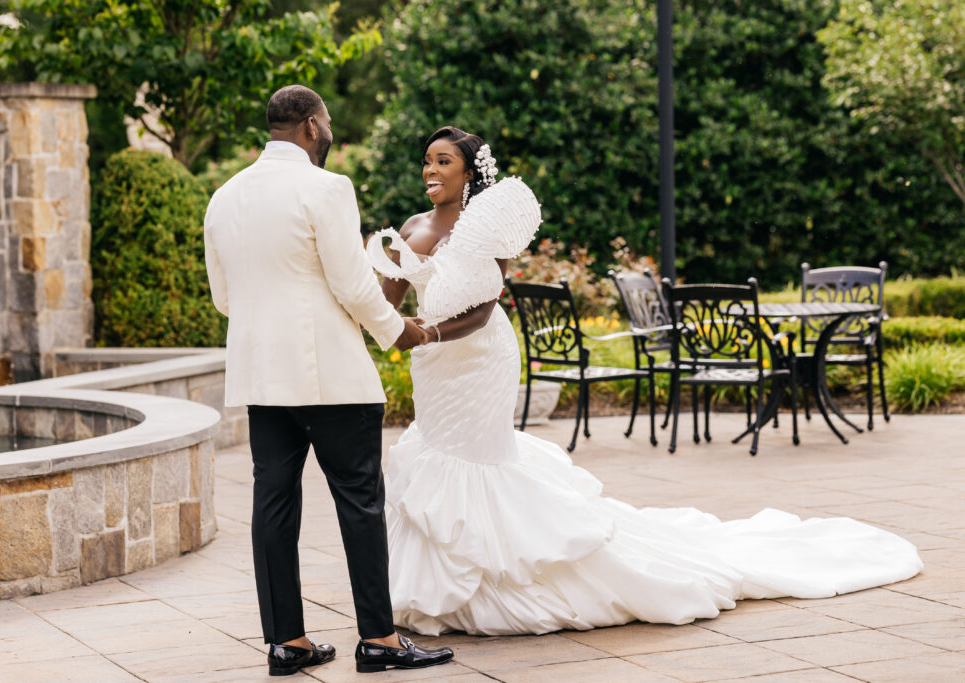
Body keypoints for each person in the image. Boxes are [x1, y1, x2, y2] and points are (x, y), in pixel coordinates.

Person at [365, 126, 924, 636]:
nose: (430, 170)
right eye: (426, 161)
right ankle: (431, 580)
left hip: (478, 356)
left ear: (468, 172)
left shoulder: (485, 224)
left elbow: (487, 306)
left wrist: (429, 334)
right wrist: (381, 324)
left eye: (443, 161)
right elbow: (386, 300)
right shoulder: (411, 228)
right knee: (432, 453)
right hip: (434, 369)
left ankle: (496, 580)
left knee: (480, 461)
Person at [204, 86, 454, 675]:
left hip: (262, 377)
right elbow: (352, 283)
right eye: (331, 123)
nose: (331, 131)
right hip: (331, 377)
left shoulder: (224, 196)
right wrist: (401, 332)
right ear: (313, 127)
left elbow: (222, 298)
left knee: (273, 506)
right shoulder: (327, 187)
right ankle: (379, 642)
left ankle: (286, 644)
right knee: (360, 504)